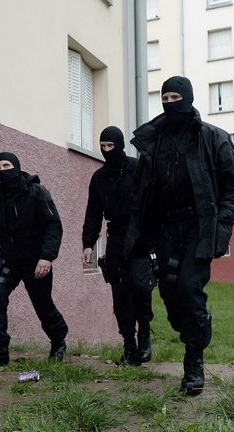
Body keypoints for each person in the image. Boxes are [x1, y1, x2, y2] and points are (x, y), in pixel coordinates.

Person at [124, 76, 234, 395]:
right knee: (169, 292)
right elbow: (141, 190)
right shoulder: (153, 141)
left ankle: (193, 361)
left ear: (189, 99)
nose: (169, 102)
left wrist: (219, 220)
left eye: (175, 96)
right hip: (165, 228)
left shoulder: (212, 137)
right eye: (164, 97)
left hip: (198, 227)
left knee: (189, 288)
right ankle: (194, 326)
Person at [0, 152, 68, 369]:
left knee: (42, 304)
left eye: (6, 165)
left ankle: (58, 342)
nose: (2, 171)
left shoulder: (36, 192)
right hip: (8, 260)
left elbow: (53, 225)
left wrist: (47, 257)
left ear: (16, 166)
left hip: (36, 261)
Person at [82, 126, 154, 366]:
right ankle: (129, 345)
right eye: (102, 147)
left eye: (110, 146)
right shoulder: (99, 178)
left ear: (120, 145)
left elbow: (152, 200)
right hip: (115, 237)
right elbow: (93, 212)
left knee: (141, 286)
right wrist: (88, 243)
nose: (106, 151)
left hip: (140, 234)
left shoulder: (137, 168)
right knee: (119, 293)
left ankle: (145, 336)